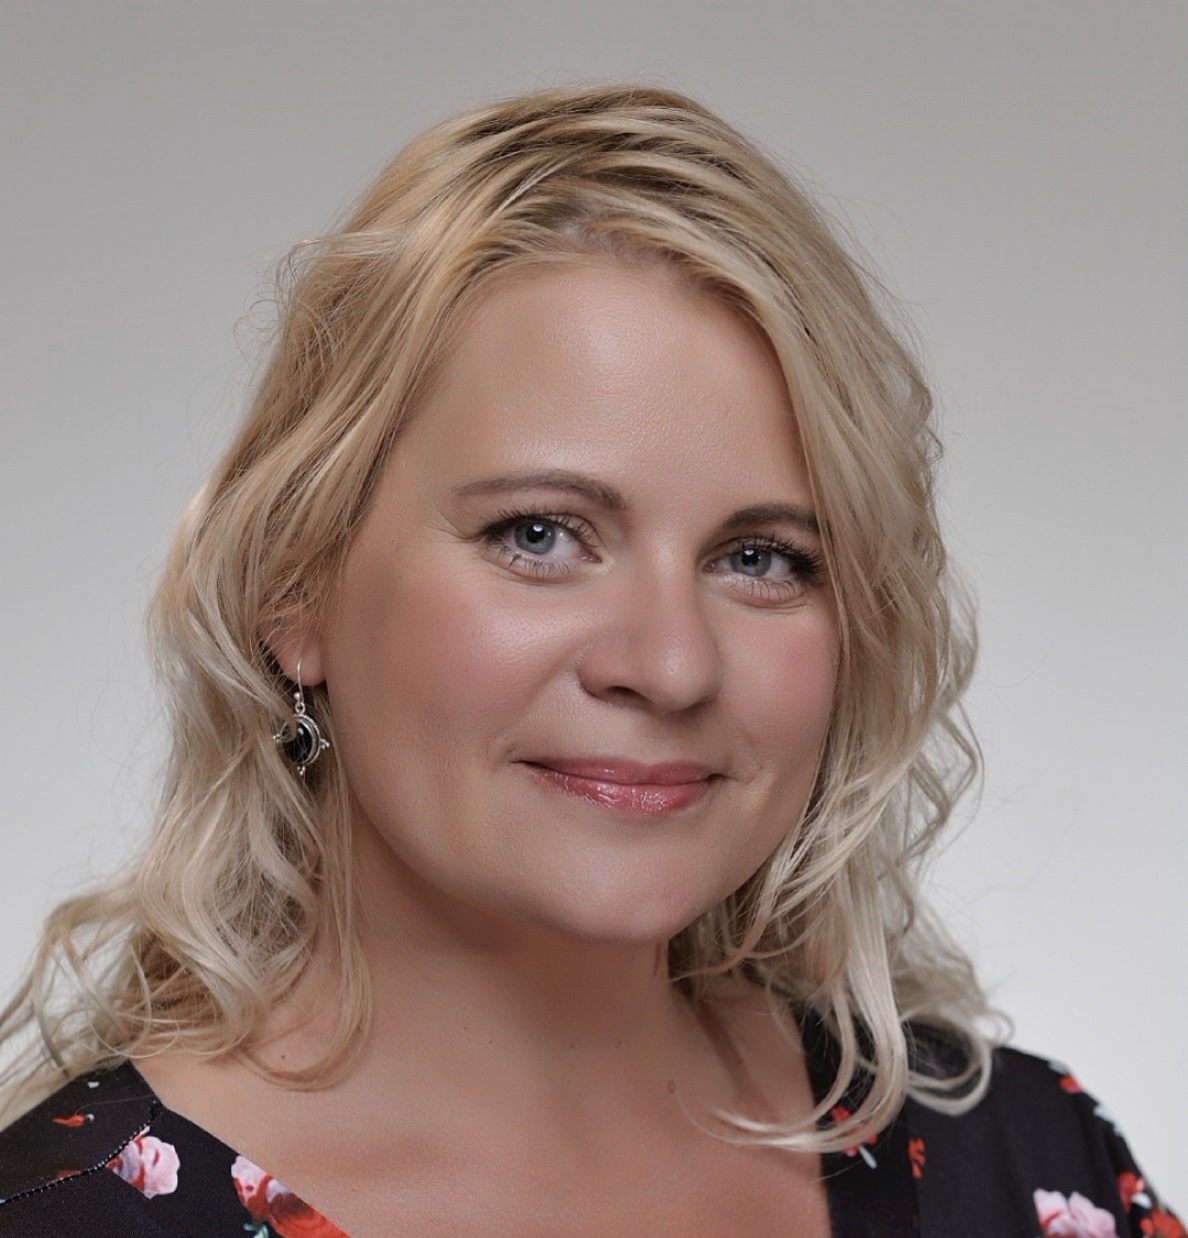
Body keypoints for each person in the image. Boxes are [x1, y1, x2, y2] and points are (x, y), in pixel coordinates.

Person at [0, 84, 1177, 1238]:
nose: (670, 663)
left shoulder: (1025, 1161)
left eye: (761, 557)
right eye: (539, 534)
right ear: (293, 586)